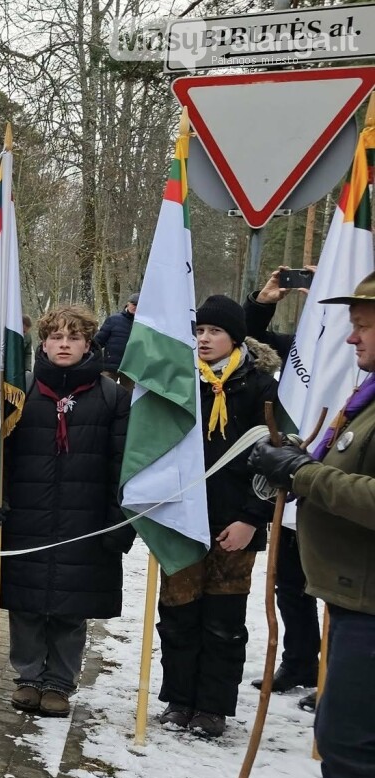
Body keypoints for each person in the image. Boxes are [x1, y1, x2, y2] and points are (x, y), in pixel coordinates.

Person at [249, 272, 375, 778]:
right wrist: (303, 460)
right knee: (345, 751)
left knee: (350, 744)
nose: (352, 339)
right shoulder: (366, 398)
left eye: (364, 325)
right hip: (352, 602)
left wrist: (302, 475)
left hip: (371, 611)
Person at [0, 305, 131, 718]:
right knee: (25, 604)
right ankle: (27, 677)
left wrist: (119, 521)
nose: (64, 344)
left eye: (73, 338)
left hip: (85, 520)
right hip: (27, 515)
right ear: (43, 343)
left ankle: (59, 681)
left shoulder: (112, 397)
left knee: (70, 608)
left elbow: (122, 465)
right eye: (56, 337)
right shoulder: (19, 391)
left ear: (87, 344)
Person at [155, 294, 278, 738]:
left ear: (235, 337)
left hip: (235, 523)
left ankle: (212, 706)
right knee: (178, 614)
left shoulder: (261, 386)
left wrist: (252, 517)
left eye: (214, 332)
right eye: (200, 331)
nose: (204, 339)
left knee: (223, 621)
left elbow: (274, 459)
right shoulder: (180, 381)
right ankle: (179, 698)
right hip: (183, 518)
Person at [245, 267, 320, 699]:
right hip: (294, 473)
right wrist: (263, 303)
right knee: (290, 580)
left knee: (340, 584)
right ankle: (301, 661)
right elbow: (252, 343)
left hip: (343, 480)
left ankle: (335, 675)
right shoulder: (302, 351)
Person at [93, 292, 137, 386]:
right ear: (128, 304)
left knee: (127, 397)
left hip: (130, 369)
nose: (136, 307)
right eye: (134, 304)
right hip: (110, 366)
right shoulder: (114, 320)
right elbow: (98, 341)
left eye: (138, 305)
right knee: (104, 392)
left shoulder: (141, 325)